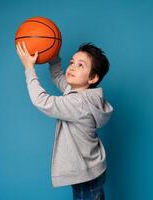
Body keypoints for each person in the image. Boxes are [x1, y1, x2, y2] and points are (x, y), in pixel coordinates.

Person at [16, 41, 113, 200]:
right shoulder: (81, 95)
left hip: (85, 177)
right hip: (92, 170)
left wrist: (29, 68)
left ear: (93, 78)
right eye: (72, 62)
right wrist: (53, 55)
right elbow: (56, 76)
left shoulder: (78, 103)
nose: (73, 67)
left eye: (81, 65)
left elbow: (42, 101)